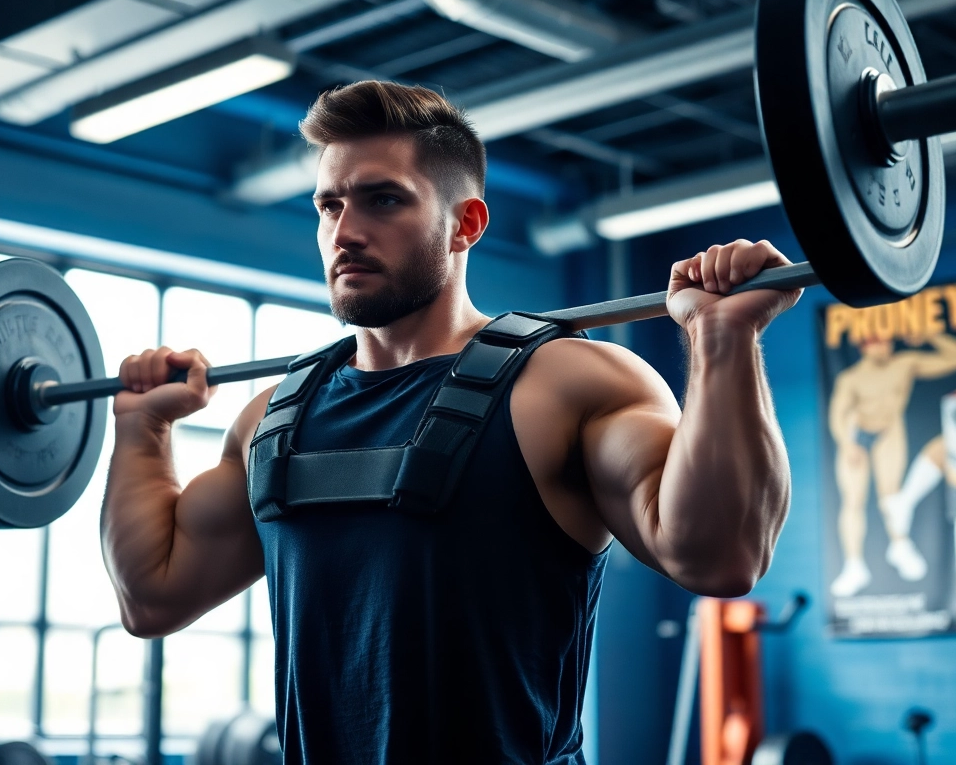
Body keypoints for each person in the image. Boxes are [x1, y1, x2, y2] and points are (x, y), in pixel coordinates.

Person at [101, 81, 798, 764]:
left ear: (465, 223)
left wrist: (724, 340)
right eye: (329, 205)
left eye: (382, 200)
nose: (345, 232)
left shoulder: (568, 384)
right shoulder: (274, 419)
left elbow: (719, 554)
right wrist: (141, 430)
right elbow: (154, 595)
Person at [827, 334, 956, 597]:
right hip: (856, 434)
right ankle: (853, 565)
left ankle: (900, 545)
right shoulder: (850, 378)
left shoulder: (904, 363)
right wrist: (847, 444)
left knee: (892, 496)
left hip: (888, 431)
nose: (885, 346)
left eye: (887, 341)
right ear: (864, 346)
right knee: (852, 501)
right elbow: (838, 412)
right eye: (878, 341)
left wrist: (934, 336)